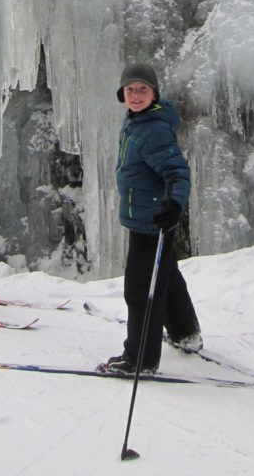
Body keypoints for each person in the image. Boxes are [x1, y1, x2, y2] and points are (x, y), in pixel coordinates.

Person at [104, 62, 202, 375]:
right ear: (122, 94)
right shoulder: (138, 120)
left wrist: (173, 204)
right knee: (167, 275)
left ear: (154, 92)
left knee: (140, 290)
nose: (135, 95)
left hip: (151, 221)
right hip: (151, 217)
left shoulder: (154, 129)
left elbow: (177, 171)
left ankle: (140, 359)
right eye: (130, 90)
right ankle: (185, 332)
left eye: (142, 89)